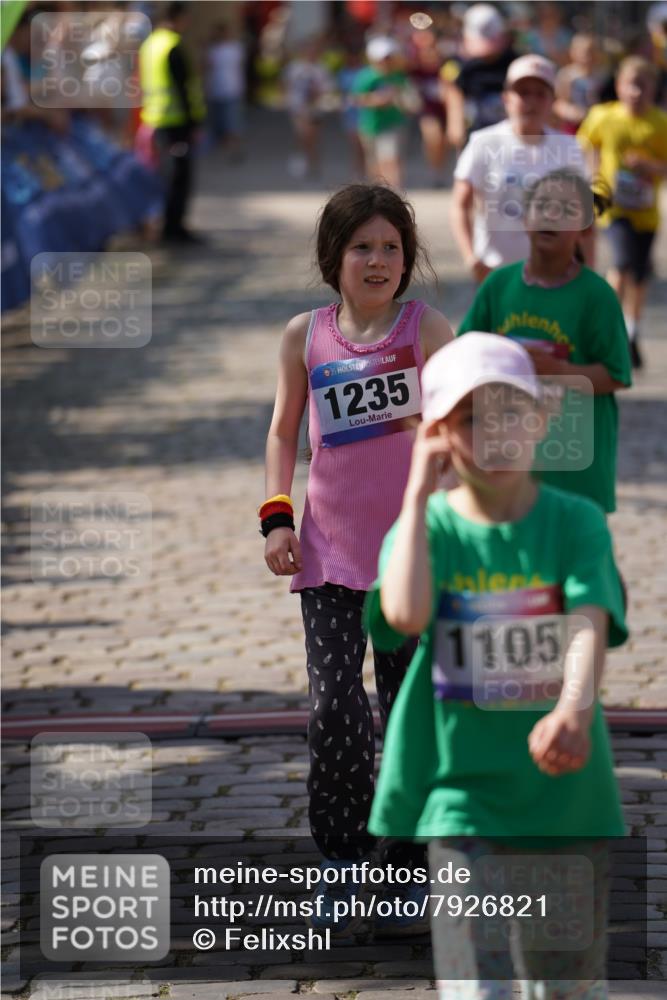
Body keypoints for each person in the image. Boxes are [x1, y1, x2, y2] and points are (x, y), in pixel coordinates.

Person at [365, 332, 627, 998]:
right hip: (460, 791)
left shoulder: (575, 522)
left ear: (541, 419)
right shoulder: (428, 530)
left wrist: (571, 707)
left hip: (561, 792)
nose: (497, 433)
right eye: (472, 418)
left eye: (512, 412)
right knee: (475, 986)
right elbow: (405, 616)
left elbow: (588, 620)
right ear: (437, 433)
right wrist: (416, 496)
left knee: (563, 983)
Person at [262, 183, 453, 934]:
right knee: (334, 706)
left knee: (406, 713)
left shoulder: (426, 328)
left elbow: (464, 425)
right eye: (361, 247)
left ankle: (406, 866)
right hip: (329, 555)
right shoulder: (303, 336)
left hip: (412, 557)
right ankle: (340, 860)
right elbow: (283, 432)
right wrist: (277, 519)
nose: (377, 261)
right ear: (333, 257)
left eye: (391, 249)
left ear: (406, 262)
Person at [458, 169, 631, 515]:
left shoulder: (597, 296)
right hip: (509, 452)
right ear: (525, 219)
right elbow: (465, 354)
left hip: (575, 456)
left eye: (566, 211)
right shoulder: (498, 286)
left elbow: (615, 374)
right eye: (543, 206)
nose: (551, 216)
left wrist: (559, 370)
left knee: (581, 553)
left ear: (584, 229)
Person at [450, 54, 588, 285]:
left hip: (554, 274)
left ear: (552, 100)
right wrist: (471, 258)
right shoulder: (483, 143)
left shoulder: (569, 148)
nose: (531, 101)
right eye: (523, 92)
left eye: (540, 93)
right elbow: (460, 204)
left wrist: (586, 271)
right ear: (506, 98)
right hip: (496, 273)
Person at [577, 56, 667, 369]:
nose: (636, 93)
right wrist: (593, 173)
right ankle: (608, 326)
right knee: (622, 263)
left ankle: (632, 332)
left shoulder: (660, 123)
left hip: (646, 213)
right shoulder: (604, 116)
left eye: (643, 86)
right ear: (619, 86)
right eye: (631, 86)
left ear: (654, 88)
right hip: (613, 209)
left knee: (640, 277)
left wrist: (650, 166)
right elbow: (584, 144)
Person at [138, 0, 206, 244]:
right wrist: (195, 121)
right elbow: (184, 88)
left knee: (167, 175)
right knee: (179, 177)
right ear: (177, 17)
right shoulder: (173, 46)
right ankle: (174, 228)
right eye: (186, 17)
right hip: (177, 123)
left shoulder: (151, 44)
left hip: (156, 120)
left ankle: (168, 225)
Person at [440, 3, 518, 152]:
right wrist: (455, 120)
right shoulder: (459, 64)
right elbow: (452, 87)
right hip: (475, 138)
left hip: (509, 140)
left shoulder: (516, 62)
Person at [353, 36, 417, 189]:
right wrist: (377, 100)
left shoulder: (397, 76)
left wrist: (405, 104)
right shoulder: (366, 76)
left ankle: (395, 190)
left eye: (388, 57)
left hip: (393, 124)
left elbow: (408, 99)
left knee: (390, 159)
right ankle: (377, 190)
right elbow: (357, 99)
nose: (385, 62)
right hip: (371, 125)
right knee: (374, 163)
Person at [283, 36, 333, 180]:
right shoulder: (294, 67)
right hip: (298, 107)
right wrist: (287, 99)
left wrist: (318, 93)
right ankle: (304, 160)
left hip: (316, 108)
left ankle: (312, 162)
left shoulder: (322, 68)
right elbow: (286, 84)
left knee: (313, 137)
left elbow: (327, 87)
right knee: (303, 134)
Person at [204, 23, 245, 159]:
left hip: (231, 91)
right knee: (217, 123)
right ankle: (222, 150)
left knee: (232, 123)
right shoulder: (212, 50)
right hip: (216, 91)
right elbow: (205, 66)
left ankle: (234, 150)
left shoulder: (234, 48)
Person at [554, 34, 607, 134]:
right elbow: (559, 102)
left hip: (596, 124)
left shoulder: (602, 77)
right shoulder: (567, 75)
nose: (588, 56)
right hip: (573, 125)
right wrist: (571, 112)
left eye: (592, 51)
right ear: (573, 53)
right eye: (584, 52)